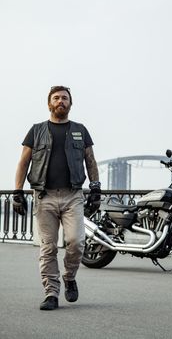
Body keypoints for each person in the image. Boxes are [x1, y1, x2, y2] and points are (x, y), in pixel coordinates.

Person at [13, 86, 101, 310]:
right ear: (49, 103)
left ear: (70, 104)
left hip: (73, 196)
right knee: (48, 247)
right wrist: (17, 192)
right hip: (45, 196)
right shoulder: (36, 130)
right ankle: (51, 293)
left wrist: (96, 188)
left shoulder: (80, 130)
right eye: (56, 98)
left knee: (76, 242)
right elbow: (24, 162)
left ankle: (69, 277)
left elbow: (90, 160)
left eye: (64, 98)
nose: (60, 101)